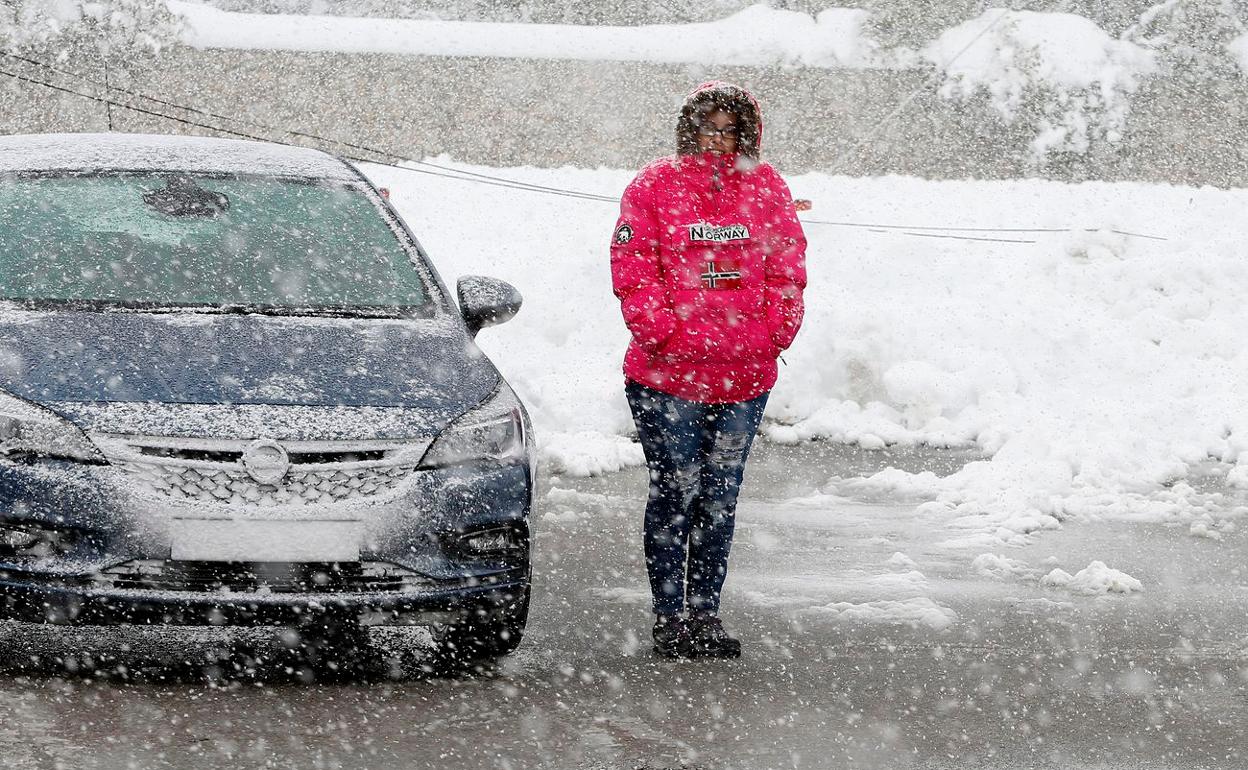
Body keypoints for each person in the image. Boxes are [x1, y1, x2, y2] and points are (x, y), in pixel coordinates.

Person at [610, 81, 807, 659]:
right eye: (708, 127)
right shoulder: (653, 187)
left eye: (730, 129)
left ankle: (705, 615)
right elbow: (633, 266)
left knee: (720, 497)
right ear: (688, 128)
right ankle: (670, 616)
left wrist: (775, 333)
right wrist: (663, 333)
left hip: (743, 379)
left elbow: (786, 267)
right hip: (667, 379)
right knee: (676, 493)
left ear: (747, 132)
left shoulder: (767, 188)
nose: (718, 139)